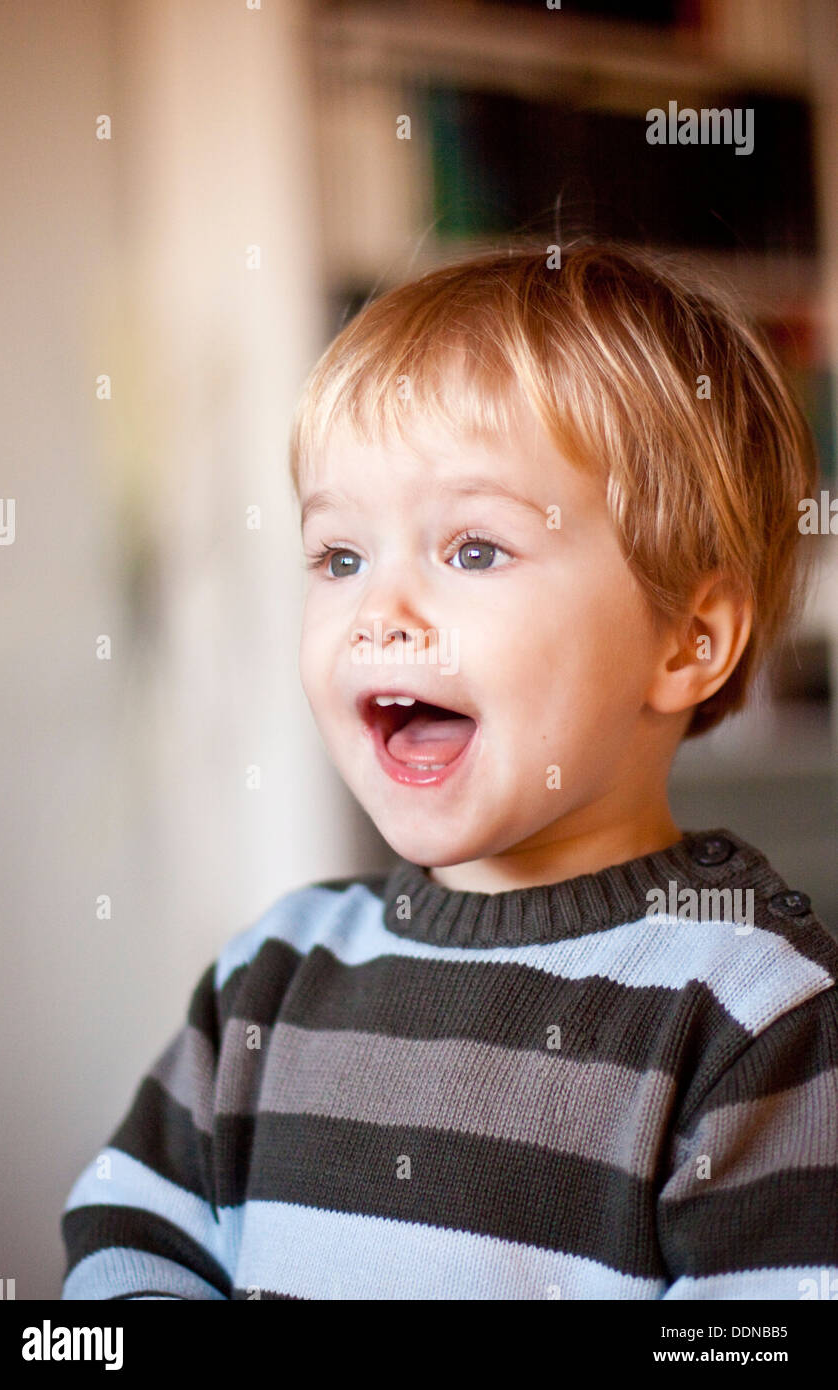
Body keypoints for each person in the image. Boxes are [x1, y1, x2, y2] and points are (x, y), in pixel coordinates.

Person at [61, 243, 838, 1299]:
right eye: (339, 557)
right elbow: (131, 1240)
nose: (379, 612)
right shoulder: (272, 974)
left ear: (683, 641)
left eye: (472, 549)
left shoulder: (754, 1012)